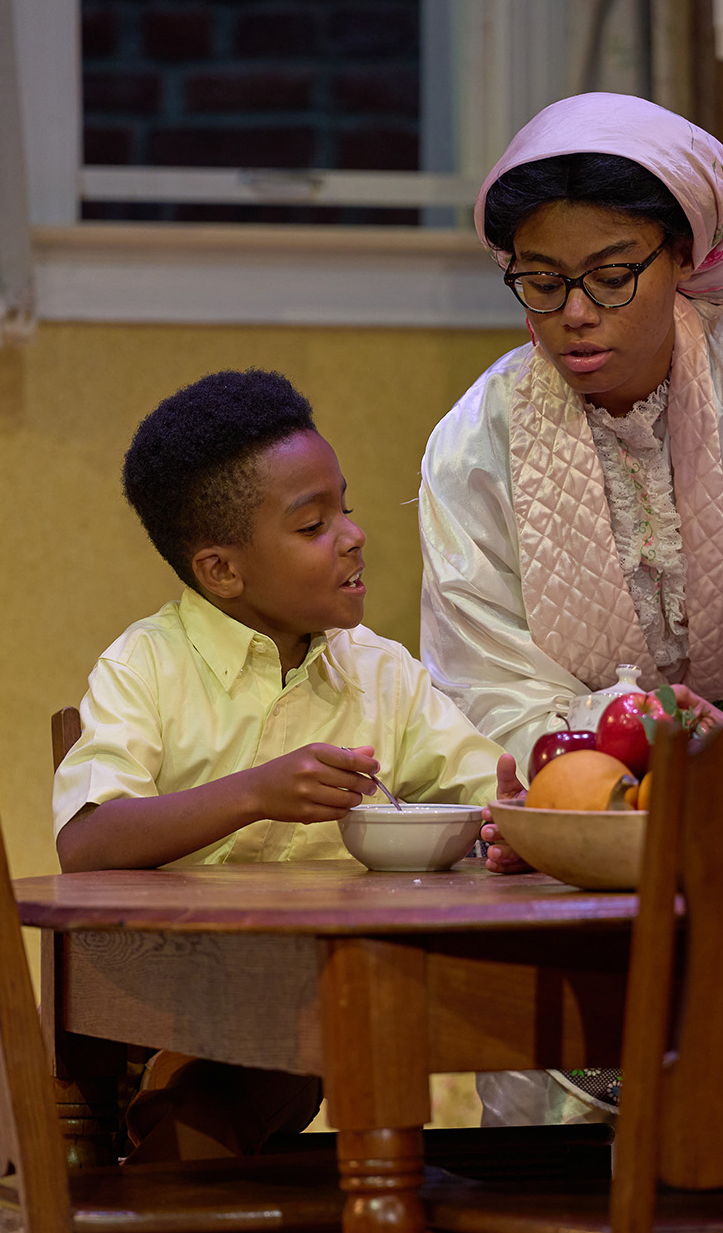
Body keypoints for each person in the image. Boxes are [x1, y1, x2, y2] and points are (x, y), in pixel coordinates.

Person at [417, 93, 723, 1124]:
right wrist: (613, 762)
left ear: (683, 255)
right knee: (563, 1167)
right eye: (541, 282)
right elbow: (482, 671)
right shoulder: (474, 443)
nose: (575, 314)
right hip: (576, 841)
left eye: (611, 276)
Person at [54, 368, 518, 1156]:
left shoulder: (380, 674)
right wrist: (255, 793)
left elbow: (489, 789)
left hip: (323, 1004)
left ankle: (197, 1131)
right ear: (221, 571)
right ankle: (186, 1111)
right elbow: (86, 841)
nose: (353, 535)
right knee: (238, 1087)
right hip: (163, 992)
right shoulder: (146, 667)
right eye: (312, 525)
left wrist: (514, 822)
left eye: (346, 507)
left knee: (307, 1049)